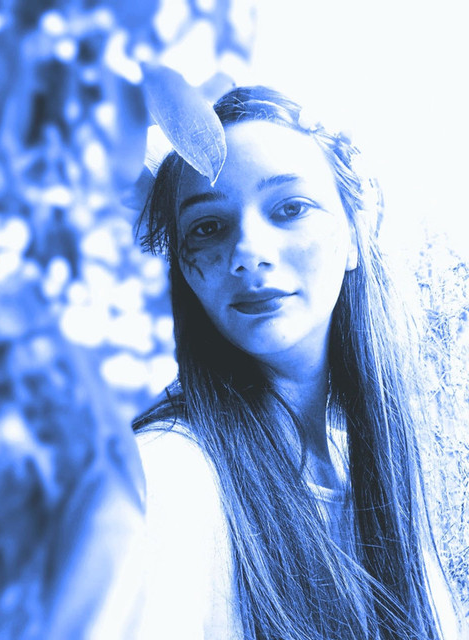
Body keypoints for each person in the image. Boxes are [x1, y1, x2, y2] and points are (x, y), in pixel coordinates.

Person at [133, 86, 462, 639]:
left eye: (290, 208)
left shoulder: (375, 473)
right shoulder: (170, 477)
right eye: (208, 226)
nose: (248, 252)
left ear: (354, 238)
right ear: (186, 272)